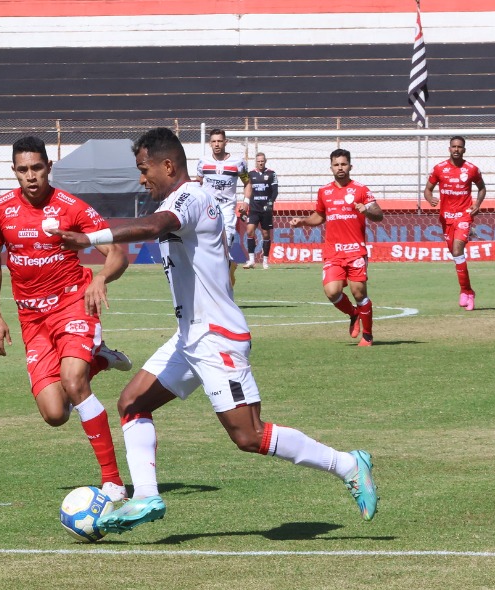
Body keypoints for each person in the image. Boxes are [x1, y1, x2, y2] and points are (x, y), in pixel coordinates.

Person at [52, 128, 377, 534]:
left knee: (248, 435)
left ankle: (347, 463)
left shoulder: (191, 197)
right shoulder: (179, 199)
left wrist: (89, 238)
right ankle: (146, 498)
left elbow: (155, 227)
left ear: (168, 165)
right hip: (191, 336)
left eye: (144, 169)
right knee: (133, 403)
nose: (141, 179)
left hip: (217, 337)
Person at [0, 136, 132, 502]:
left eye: (37, 168)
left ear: (49, 167)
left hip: (72, 305)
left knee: (73, 380)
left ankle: (112, 482)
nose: (31, 176)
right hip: (31, 319)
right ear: (14, 171)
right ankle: (98, 359)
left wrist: (99, 277)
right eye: (23, 170)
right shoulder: (0, 211)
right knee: (54, 413)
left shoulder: (72, 208)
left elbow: (117, 253)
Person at [292, 149, 385, 347]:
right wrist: (303, 221)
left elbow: (379, 214)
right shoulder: (324, 191)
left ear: (350, 166)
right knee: (332, 292)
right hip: (333, 252)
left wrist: (367, 210)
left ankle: (367, 336)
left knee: (359, 293)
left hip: (355, 251)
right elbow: (319, 216)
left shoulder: (361, 189)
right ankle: (353, 314)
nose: (340, 168)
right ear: (331, 167)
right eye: (336, 164)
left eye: (343, 164)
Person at [424, 136, 487, 310]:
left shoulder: (471, 169)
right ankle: (467, 290)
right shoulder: (439, 169)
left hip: (464, 215)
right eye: (454, 146)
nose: (457, 149)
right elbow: (427, 190)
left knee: (458, 249)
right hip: (446, 217)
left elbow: (482, 188)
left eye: (460, 147)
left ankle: (465, 292)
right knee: (455, 253)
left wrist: (477, 204)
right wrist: (430, 199)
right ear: (449, 149)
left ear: (464, 150)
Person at [193, 128, 249, 286]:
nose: (217, 144)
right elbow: (198, 181)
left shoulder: (238, 163)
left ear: (226, 142)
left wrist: (246, 201)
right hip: (207, 210)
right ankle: (225, 269)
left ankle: (224, 273)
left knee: (226, 243)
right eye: (214, 141)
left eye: (219, 141)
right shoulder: (203, 162)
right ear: (210, 144)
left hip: (227, 209)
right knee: (208, 247)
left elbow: (247, 182)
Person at [243, 152, 279, 269]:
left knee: (266, 234)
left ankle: (265, 261)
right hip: (254, 208)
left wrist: (270, 203)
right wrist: (245, 204)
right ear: (256, 162)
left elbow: (275, 191)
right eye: (258, 161)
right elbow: (247, 190)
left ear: (265, 161)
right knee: (249, 231)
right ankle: (251, 260)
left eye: (262, 161)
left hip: (266, 209)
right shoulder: (251, 174)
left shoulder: (271, 174)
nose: (260, 163)